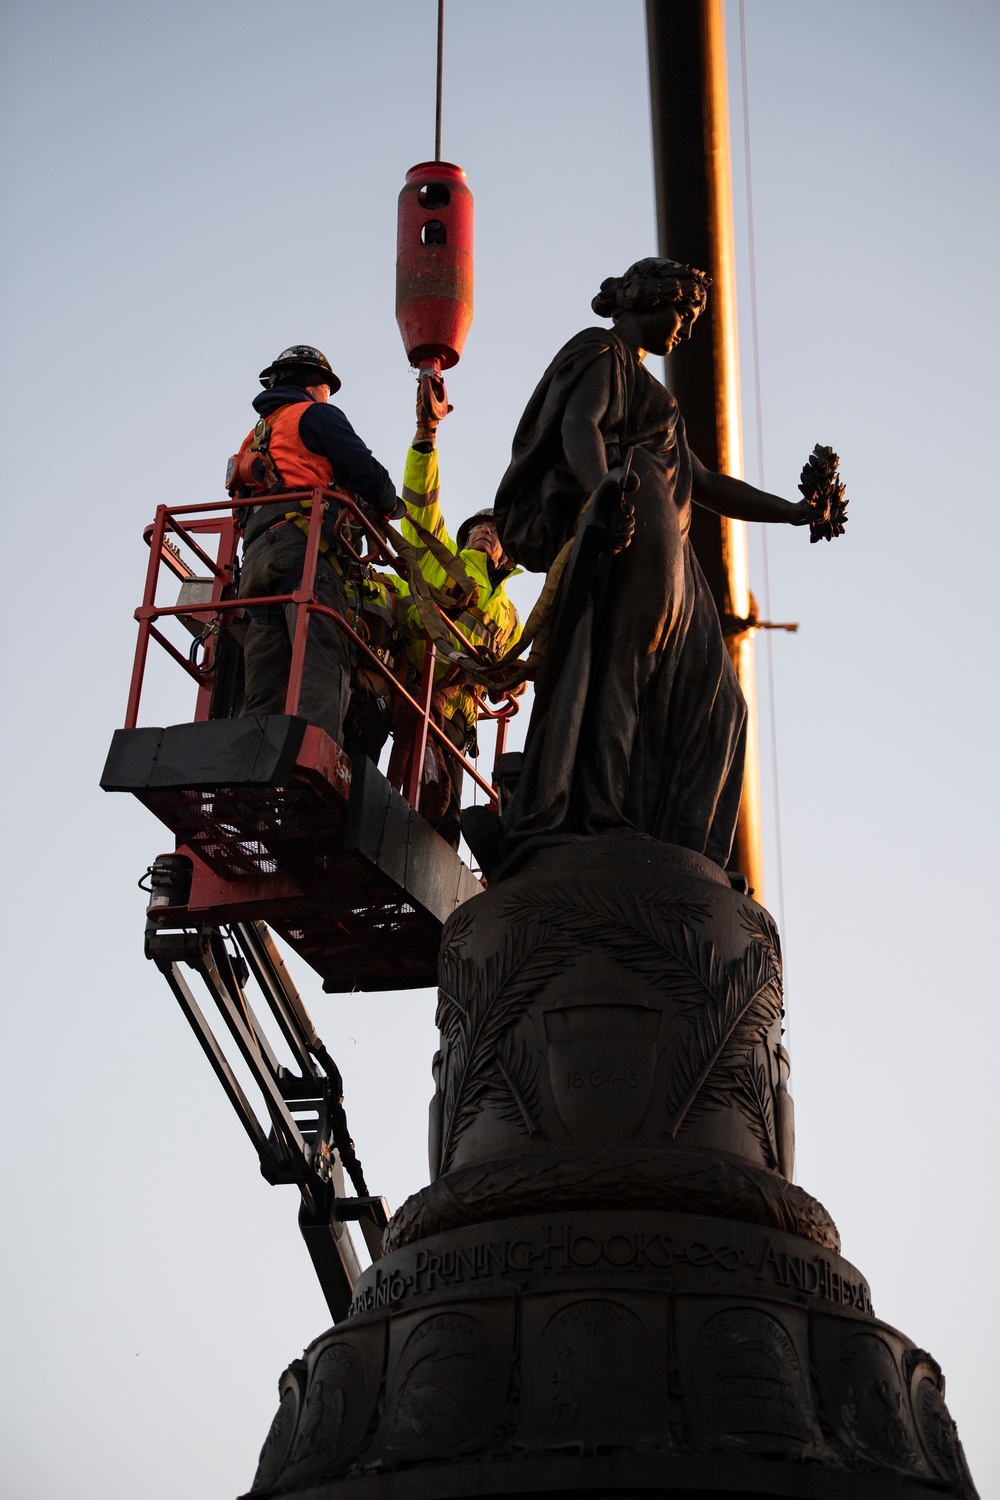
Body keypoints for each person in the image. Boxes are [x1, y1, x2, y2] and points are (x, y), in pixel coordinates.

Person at [491, 258, 813, 870]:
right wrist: (602, 496)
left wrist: (793, 512)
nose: (685, 331)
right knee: (621, 668)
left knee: (722, 702)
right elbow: (580, 427)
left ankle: (689, 850)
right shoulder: (600, 351)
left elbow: (711, 484)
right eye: (684, 314)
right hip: (632, 521)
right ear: (650, 299)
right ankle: (604, 813)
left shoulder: (658, 397)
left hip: (671, 545)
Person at [232, 344, 400, 744]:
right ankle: (316, 755)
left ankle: (248, 753)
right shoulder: (315, 415)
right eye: (327, 388)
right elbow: (365, 471)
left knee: (265, 671)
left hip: (256, 561)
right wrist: (390, 502)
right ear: (313, 385)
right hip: (303, 553)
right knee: (320, 655)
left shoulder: (255, 437)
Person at [387, 388, 522, 840]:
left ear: (507, 553)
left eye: (495, 530)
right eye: (478, 527)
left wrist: (512, 678)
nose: (485, 530)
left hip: (460, 725)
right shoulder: (439, 560)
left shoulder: (510, 615)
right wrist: (427, 434)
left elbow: (524, 672)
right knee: (420, 803)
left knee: (446, 823)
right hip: (421, 696)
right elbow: (422, 506)